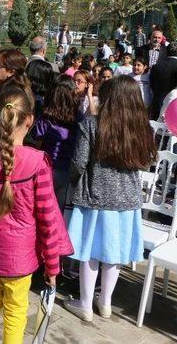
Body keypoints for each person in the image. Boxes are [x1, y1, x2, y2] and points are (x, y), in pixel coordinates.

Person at [0, 86, 72, 343]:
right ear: (30, 120)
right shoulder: (37, 162)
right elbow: (48, 219)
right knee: (16, 312)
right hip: (18, 260)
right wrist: (52, 266)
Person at [64, 76, 156, 322]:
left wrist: (72, 182)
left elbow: (79, 163)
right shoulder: (142, 128)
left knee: (89, 252)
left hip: (94, 196)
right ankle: (105, 302)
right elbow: (147, 161)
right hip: (127, 200)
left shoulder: (91, 124)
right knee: (113, 254)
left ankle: (84, 304)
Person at [32, 75, 81, 209]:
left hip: (46, 168)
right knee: (57, 212)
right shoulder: (78, 117)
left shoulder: (46, 116)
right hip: (67, 170)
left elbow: (37, 140)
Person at [149, 42, 177, 119]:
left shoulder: (156, 66)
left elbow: (152, 85)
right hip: (174, 105)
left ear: (166, 51)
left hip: (157, 102)